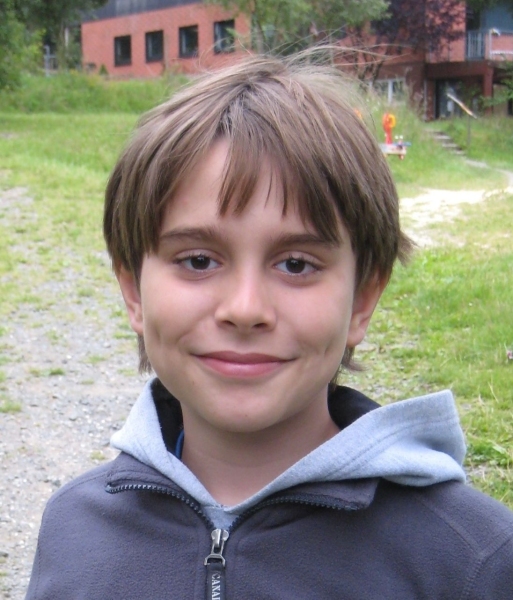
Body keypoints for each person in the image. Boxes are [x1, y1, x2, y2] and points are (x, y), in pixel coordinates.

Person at [26, 54, 513, 599]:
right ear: (134, 291)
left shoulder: (475, 563)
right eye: (198, 260)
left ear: (362, 299)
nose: (245, 308)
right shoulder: (73, 532)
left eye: (296, 264)